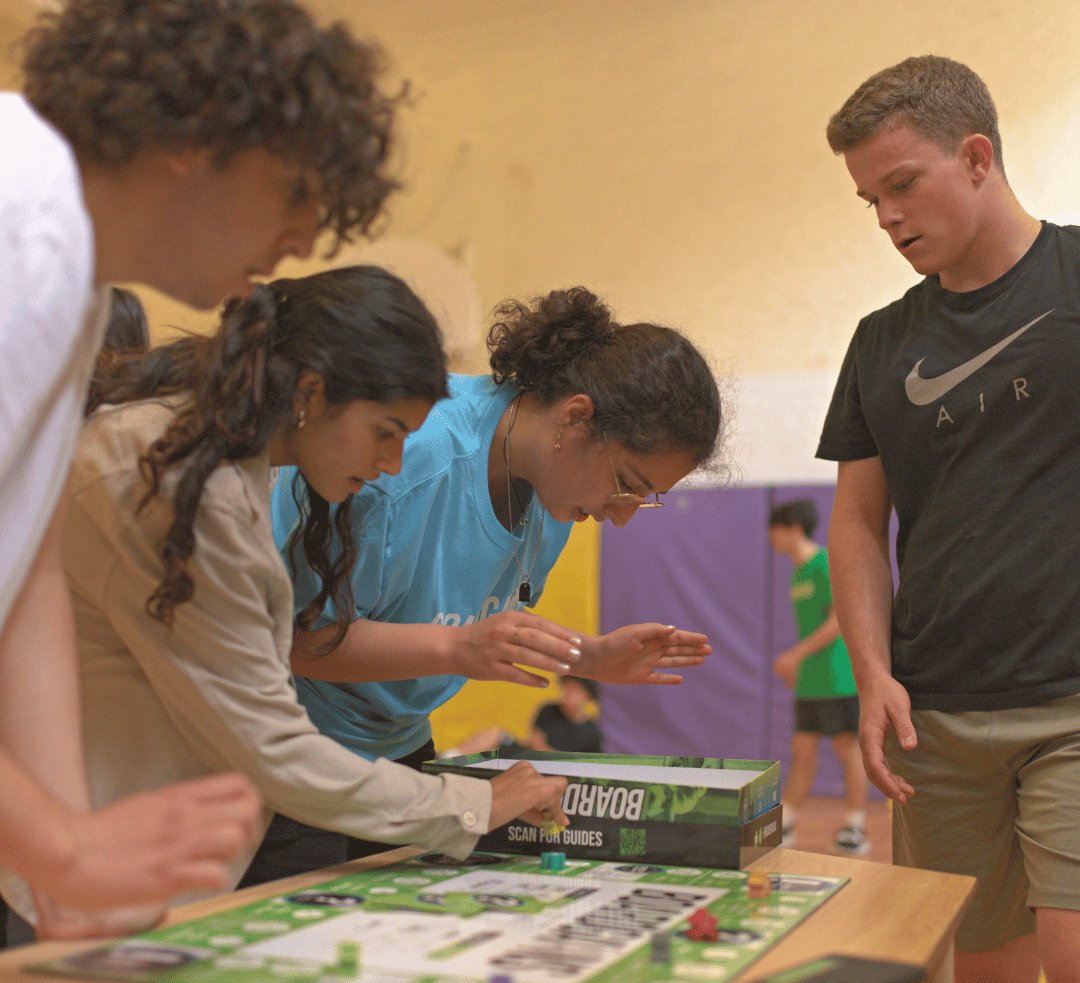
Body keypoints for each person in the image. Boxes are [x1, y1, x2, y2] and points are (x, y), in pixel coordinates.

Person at [24, 265, 568, 931]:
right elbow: (273, 744)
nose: (393, 463)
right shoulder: (178, 479)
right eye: (385, 431)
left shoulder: (227, 457)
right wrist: (470, 805)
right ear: (309, 392)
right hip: (68, 864)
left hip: (108, 849)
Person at [247, 285, 721, 884]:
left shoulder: (553, 495)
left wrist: (588, 657)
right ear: (575, 419)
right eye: (627, 483)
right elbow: (293, 641)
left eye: (644, 499)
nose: (621, 515)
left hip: (397, 746)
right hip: (290, 746)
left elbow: (475, 626)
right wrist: (456, 648)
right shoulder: (408, 458)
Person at [819, 55, 1080, 983]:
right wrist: (872, 674)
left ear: (976, 157)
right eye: (869, 200)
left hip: (1073, 704)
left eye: (901, 185)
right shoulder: (880, 342)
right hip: (937, 716)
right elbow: (856, 522)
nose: (885, 217)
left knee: (1075, 965)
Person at [766, 499, 867, 856]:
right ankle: (785, 822)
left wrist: (794, 655)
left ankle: (855, 826)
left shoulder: (825, 563)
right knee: (803, 748)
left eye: (774, 530)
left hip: (838, 676)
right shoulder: (798, 573)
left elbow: (838, 621)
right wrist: (800, 667)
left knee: (846, 748)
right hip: (810, 680)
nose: (770, 538)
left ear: (793, 529)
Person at [442, 675, 604, 758]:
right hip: (527, 759)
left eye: (575, 690)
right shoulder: (549, 710)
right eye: (567, 688)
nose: (569, 695)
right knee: (497, 733)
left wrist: (557, 761)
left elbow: (584, 767)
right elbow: (535, 743)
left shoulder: (592, 734)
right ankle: (449, 759)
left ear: (587, 696)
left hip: (553, 776)